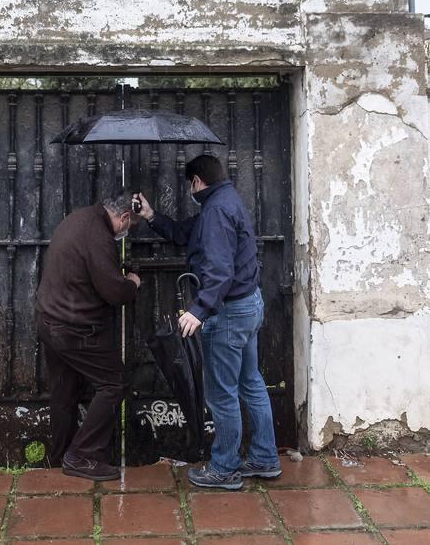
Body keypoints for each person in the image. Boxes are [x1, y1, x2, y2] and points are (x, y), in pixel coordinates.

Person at [135, 153, 281, 490]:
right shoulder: (224, 201)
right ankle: (264, 457)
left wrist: (198, 310)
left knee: (222, 394)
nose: (190, 189)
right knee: (251, 383)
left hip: (228, 312)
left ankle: (224, 468)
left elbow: (219, 270)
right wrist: (151, 215)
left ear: (196, 181)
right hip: (248, 304)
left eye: (190, 184)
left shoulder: (215, 210)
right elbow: (186, 233)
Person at [35, 190, 140, 481]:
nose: (126, 230)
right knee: (113, 382)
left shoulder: (79, 218)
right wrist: (131, 283)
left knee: (64, 392)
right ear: (123, 217)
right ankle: (82, 456)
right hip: (74, 327)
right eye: (129, 224)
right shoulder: (98, 234)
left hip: (50, 320)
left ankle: (59, 457)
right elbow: (113, 291)